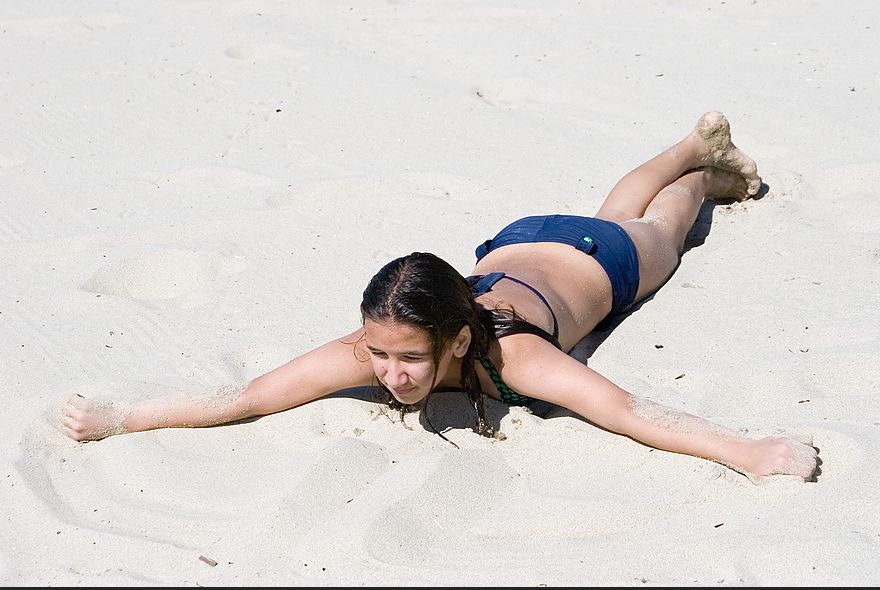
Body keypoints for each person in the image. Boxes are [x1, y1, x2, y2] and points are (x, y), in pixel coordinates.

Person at [61, 112, 819, 482]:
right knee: (613, 205)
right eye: (381, 353)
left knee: (663, 222)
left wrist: (750, 452)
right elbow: (250, 397)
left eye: (409, 359)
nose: (390, 374)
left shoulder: (514, 354)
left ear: (458, 340)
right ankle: (692, 152)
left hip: (604, 260)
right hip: (514, 242)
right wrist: (119, 417)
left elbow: (627, 412)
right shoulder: (379, 341)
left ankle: (700, 168)